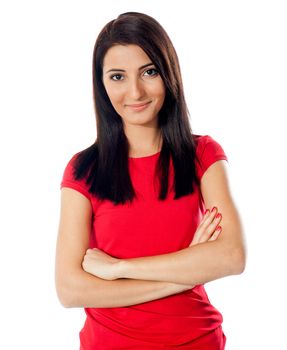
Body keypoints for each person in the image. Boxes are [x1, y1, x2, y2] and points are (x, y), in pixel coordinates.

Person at [55, 11, 246, 350]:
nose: (135, 91)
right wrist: (189, 267)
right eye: (117, 76)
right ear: (101, 84)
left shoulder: (202, 154)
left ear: (168, 73)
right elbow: (70, 290)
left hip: (196, 340)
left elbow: (231, 256)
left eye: (149, 71)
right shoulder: (83, 170)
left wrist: (119, 269)